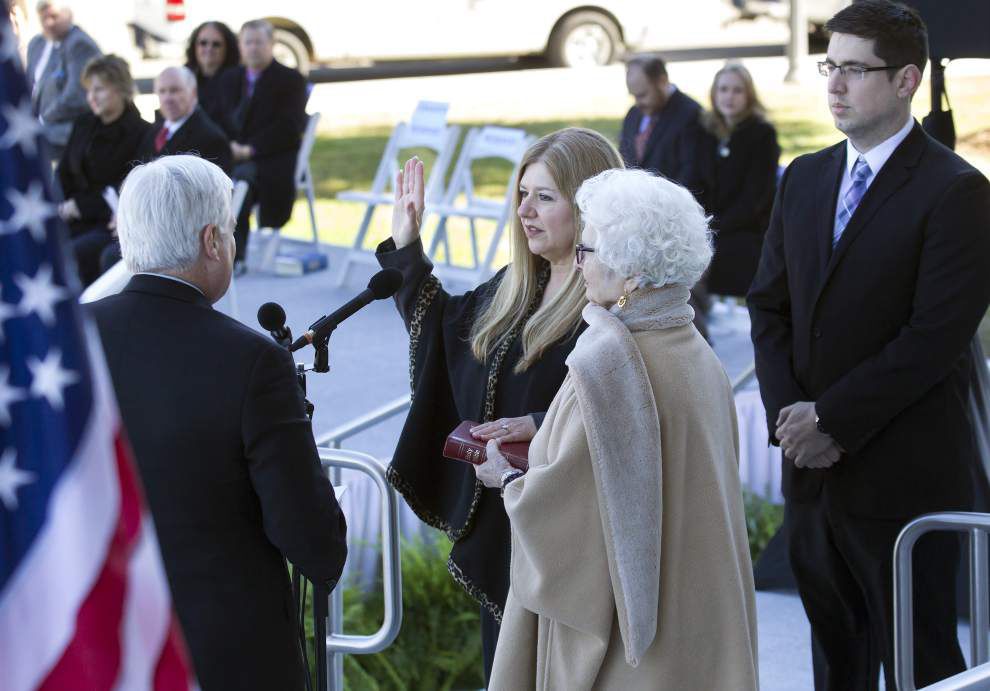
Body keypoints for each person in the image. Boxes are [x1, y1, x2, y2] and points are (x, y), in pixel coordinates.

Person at [747, 1, 990, 688]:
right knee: (836, 665)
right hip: (811, 476)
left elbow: (932, 340)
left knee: (922, 663)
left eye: (856, 70)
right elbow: (769, 306)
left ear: (908, 79)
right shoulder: (805, 176)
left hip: (904, 480)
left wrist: (832, 420)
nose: (835, 85)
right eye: (832, 66)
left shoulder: (958, 192)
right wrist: (793, 417)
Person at [475, 168, 758, 690]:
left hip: (630, 655)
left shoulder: (607, 367)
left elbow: (571, 516)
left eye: (587, 251)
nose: (578, 265)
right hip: (702, 617)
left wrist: (508, 481)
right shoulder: (697, 351)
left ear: (630, 276)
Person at [89, 155, 348, 691]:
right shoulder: (252, 362)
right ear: (211, 240)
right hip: (225, 654)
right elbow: (313, 541)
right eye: (230, 232)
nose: (231, 245)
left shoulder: (70, 343)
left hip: (98, 644)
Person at [379, 128, 624, 682]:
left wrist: (542, 426)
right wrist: (407, 246)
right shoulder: (517, 286)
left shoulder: (615, 295)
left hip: (573, 540)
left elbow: (631, 400)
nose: (526, 212)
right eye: (521, 195)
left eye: (545, 197)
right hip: (509, 520)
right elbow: (444, 331)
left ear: (587, 204)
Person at [216, 19, 307, 271]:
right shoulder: (229, 78)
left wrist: (250, 149)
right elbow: (220, 118)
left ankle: (234, 256)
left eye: (259, 42)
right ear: (240, 46)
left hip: (271, 158)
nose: (253, 48)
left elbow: (289, 127)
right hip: (229, 152)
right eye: (248, 42)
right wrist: (229, 146)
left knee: (239, 183)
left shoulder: (291, 80)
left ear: (272, 44)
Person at [56, 54, 149, 286]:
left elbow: (126, 188)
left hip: (107, 224)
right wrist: (58, 201)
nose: (92, 97)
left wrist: (80, 207)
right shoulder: (84, 123)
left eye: (99, 89)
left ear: (120, 89)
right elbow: (65, 171)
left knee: (71, 253)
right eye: (89, 90)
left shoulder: (141, 132)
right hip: (70, 217)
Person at [689, 62, 780, 298]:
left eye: (737, 90)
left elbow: (756, 197)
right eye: (723, 89)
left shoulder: (762, 135)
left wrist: (715, 228)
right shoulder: (704, 130)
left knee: (731, 253)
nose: (729, 97)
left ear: (749, 95)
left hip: (746, 229)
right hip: (705, 225)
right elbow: (695, 182)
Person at [25, 0, 101, 159]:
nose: (49, 23)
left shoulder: (79, 44)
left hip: (64, 133)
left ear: (69, 14)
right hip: (37, 128)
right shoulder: (37, 44)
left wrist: (41, 118)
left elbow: (76, 96)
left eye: (54, 16)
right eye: (43, 19)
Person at [618, 54, 700, 182]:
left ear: (662, 82)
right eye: (633, 95)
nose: (638, 103)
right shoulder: (633, 114)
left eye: (643, 95)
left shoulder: (691, 115)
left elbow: (691, 174)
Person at [138, 66, 230, 173]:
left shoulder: (211, 138)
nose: (167, 98)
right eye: (162, 91)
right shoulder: (154, 131)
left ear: (193, 93)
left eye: (174, 90)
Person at [184, 20, 240, 127]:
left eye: (216, 44)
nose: (209, 48)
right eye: (203, 43)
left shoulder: (240, 80)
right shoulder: (183, 77)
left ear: (228, 48)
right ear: (194, 46)